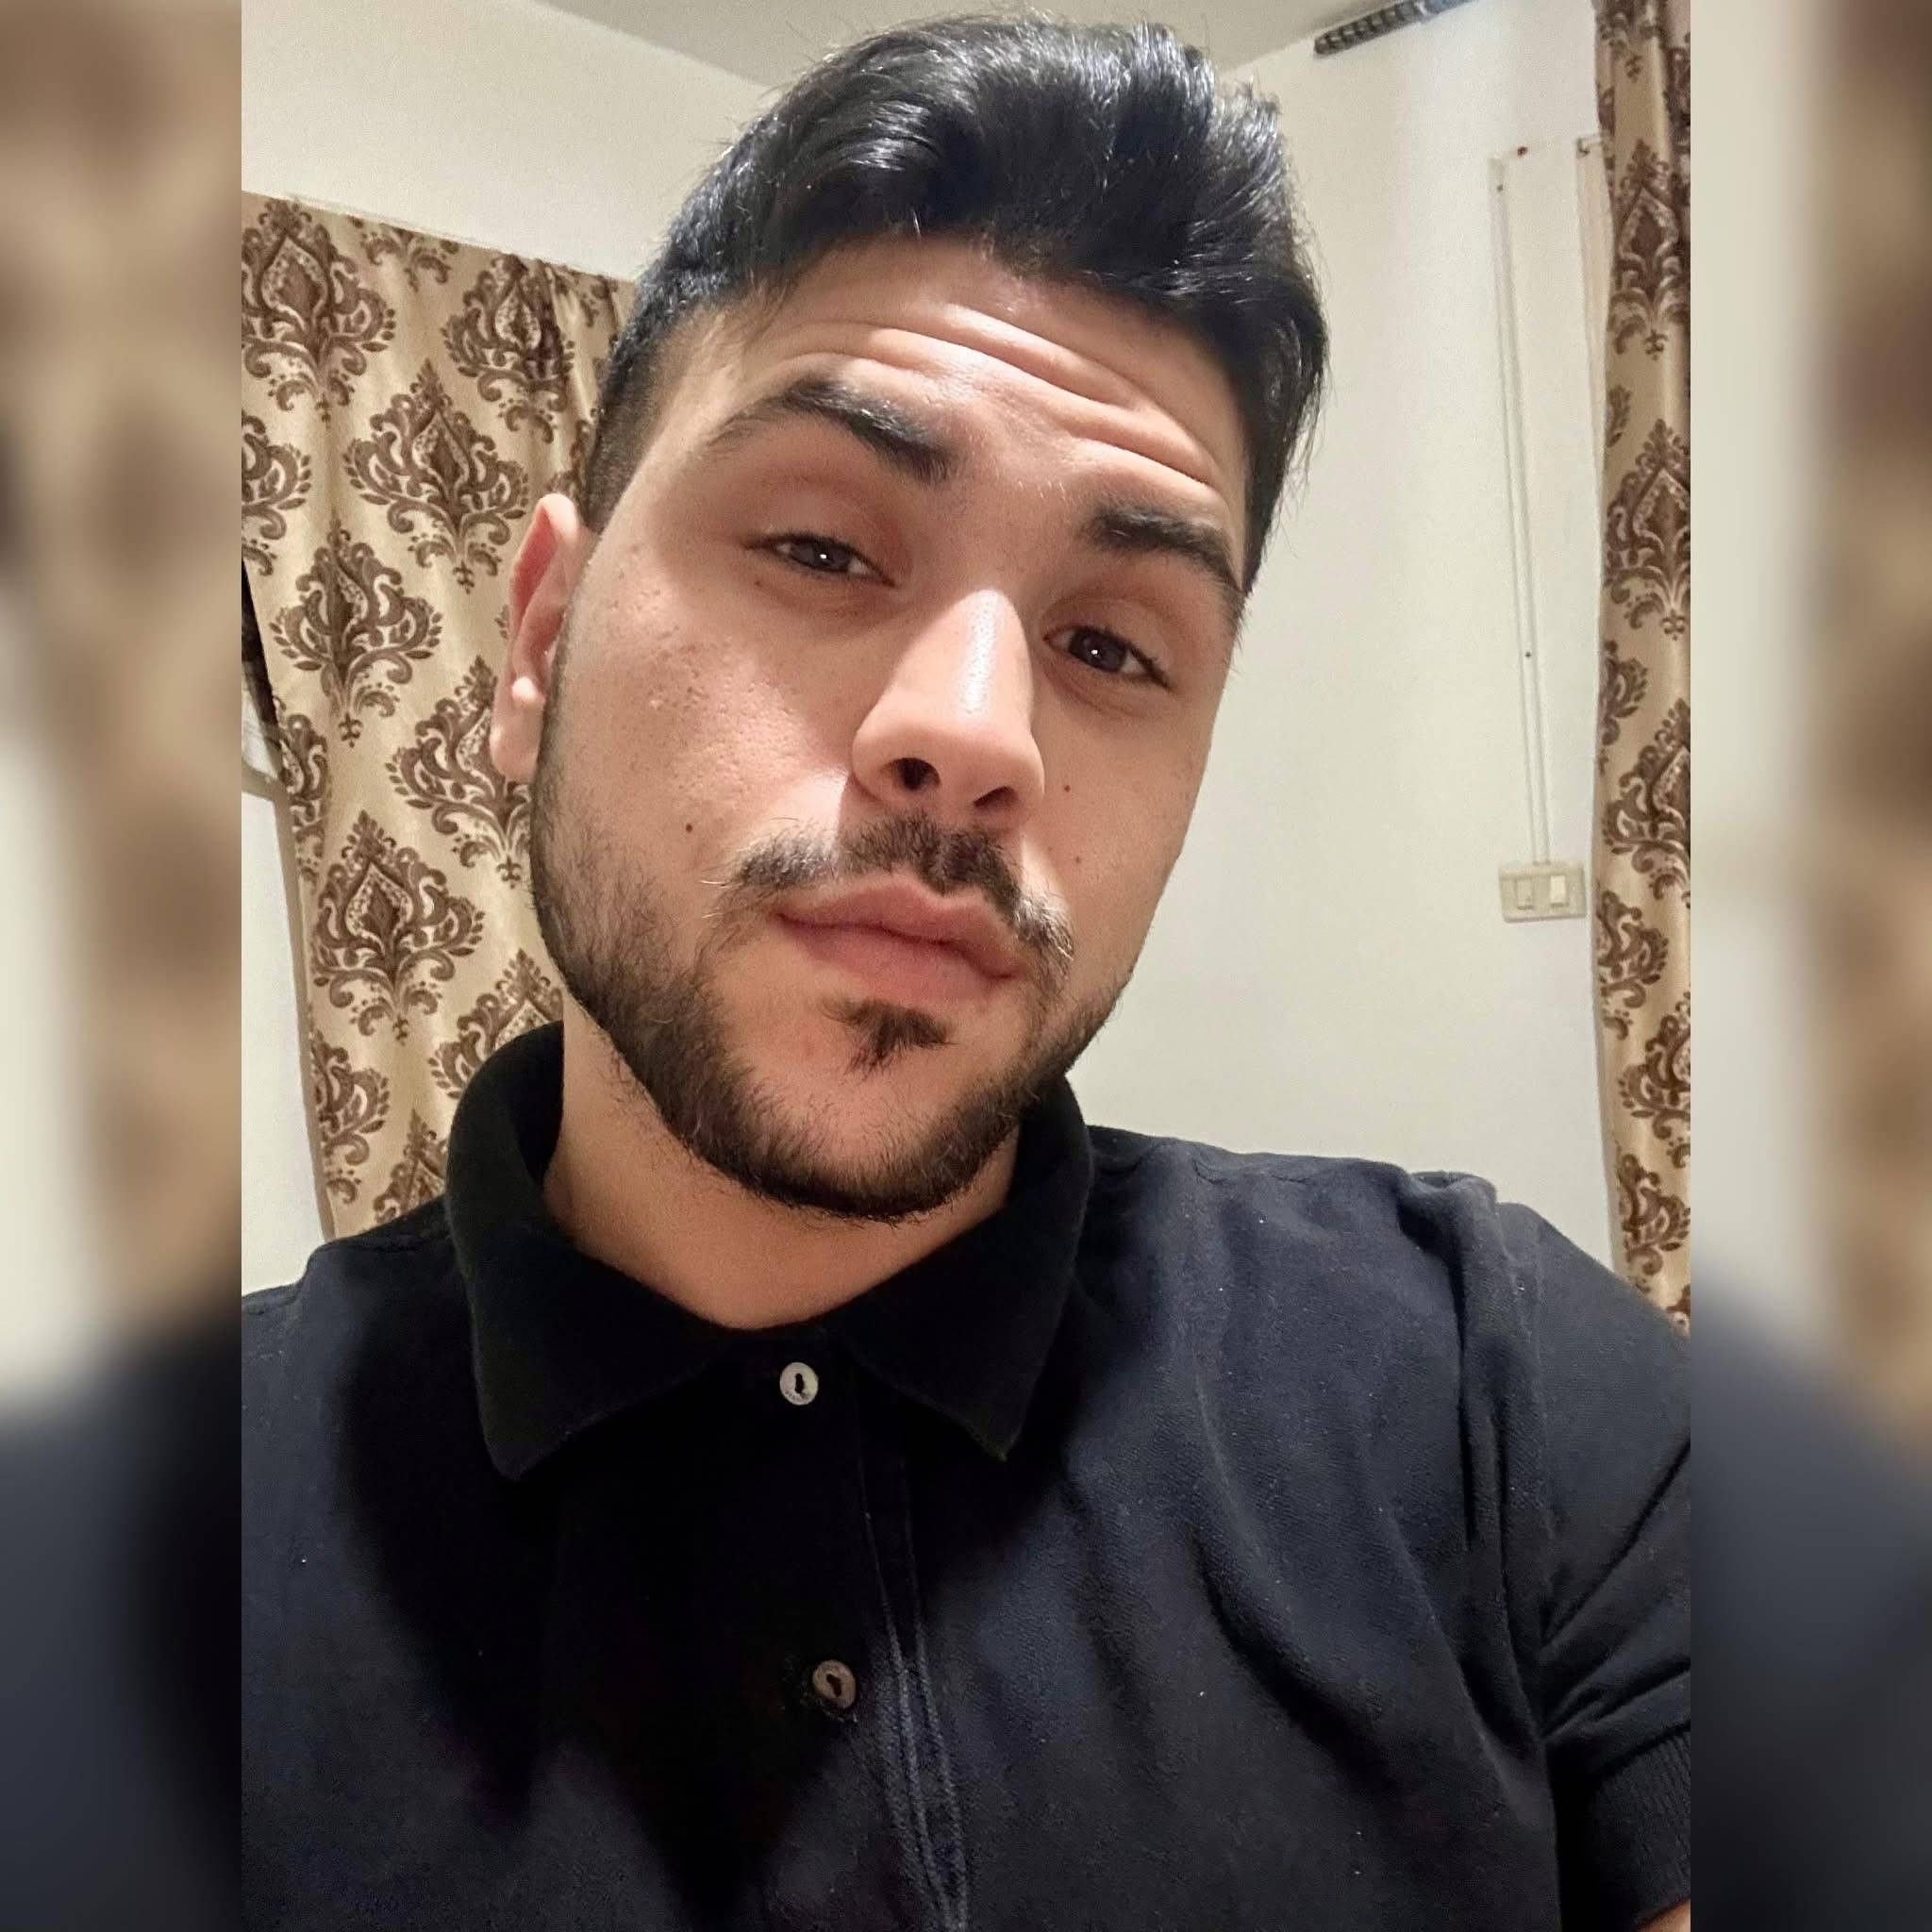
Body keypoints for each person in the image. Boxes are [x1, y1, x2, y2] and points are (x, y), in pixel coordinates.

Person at [242, 16, 1689, 1929]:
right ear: (539, 645)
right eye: (824, 546)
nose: (975, 734)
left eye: (1113, 646)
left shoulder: (1504, 1390)